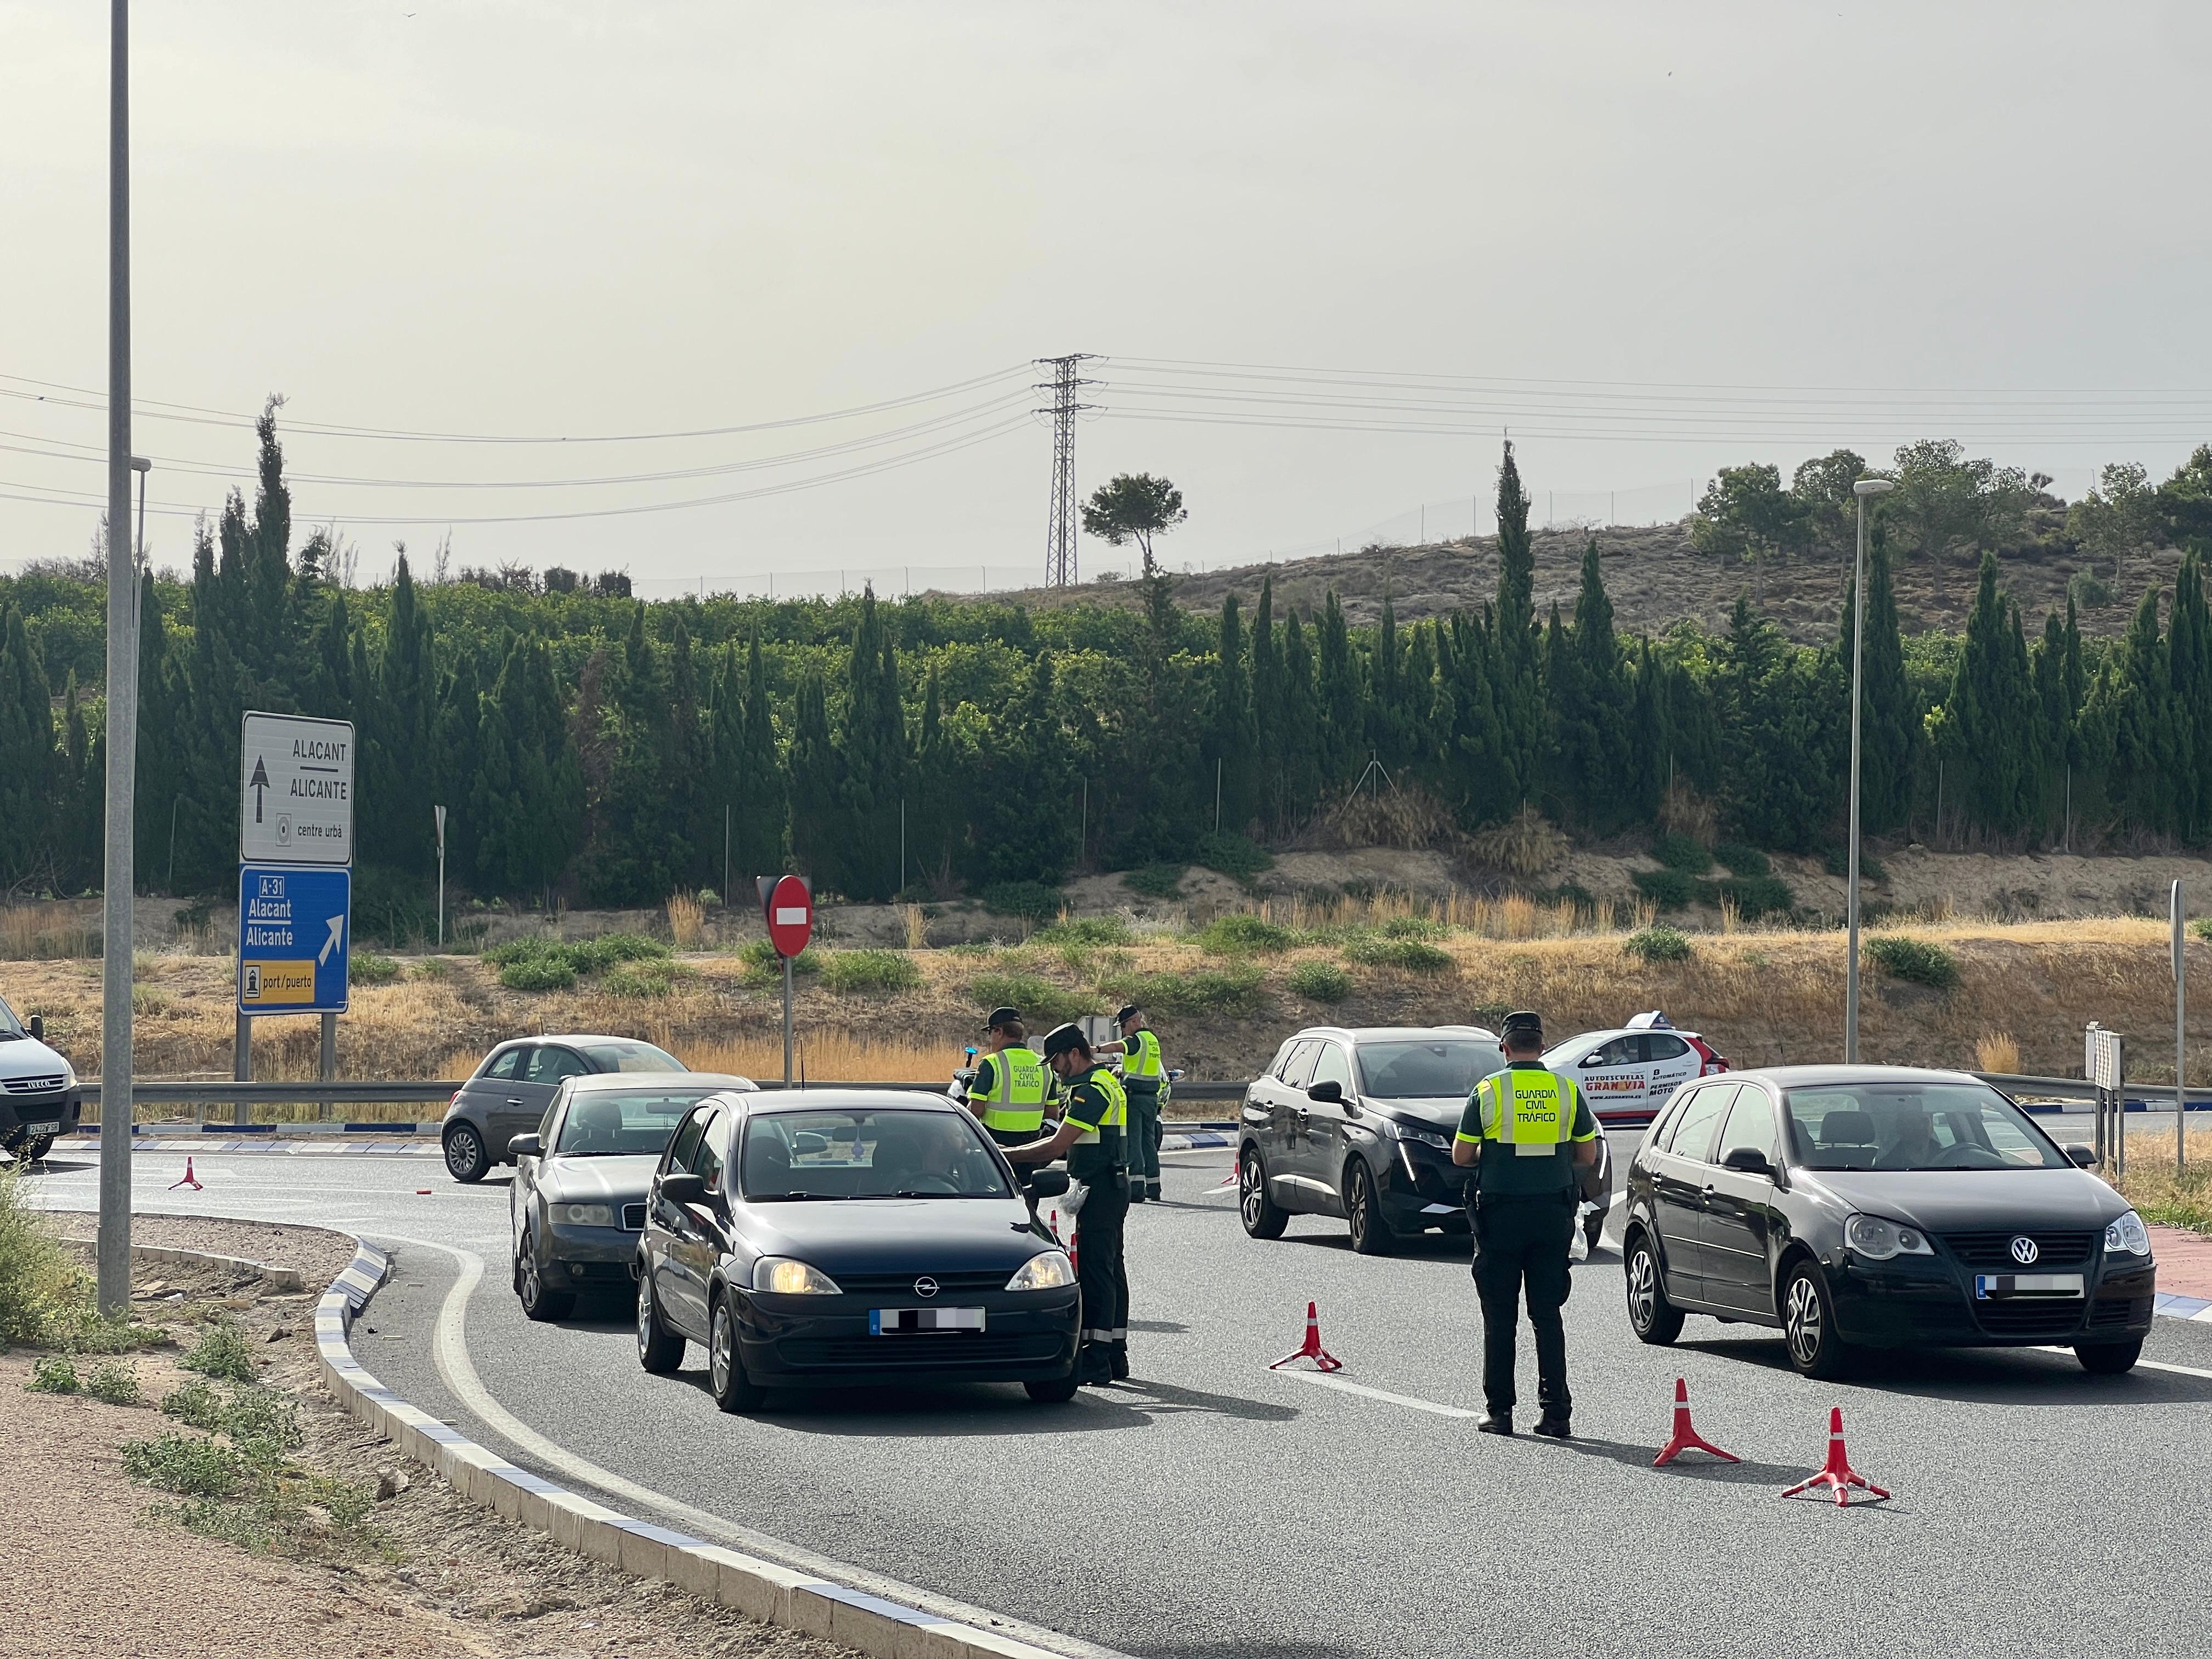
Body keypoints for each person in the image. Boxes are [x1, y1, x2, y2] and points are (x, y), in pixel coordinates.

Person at [1452, 1009, 1599, 1439]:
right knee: (1547, 1314)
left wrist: (1499, 1156)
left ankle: (1500, 1412)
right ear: (1543, 1047)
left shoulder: (1489, 1090)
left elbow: (1462, 1156)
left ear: (1505, 1048)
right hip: (1552, 1215)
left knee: (1500, 1316)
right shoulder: (1566, 1090)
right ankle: (1556, 1415)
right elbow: (1588, 1156)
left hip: (1500, 1216)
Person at [1006, 1023, 1130, 1385]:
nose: (1056, 1070)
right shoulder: (1104, 1082)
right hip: (1109, 1184)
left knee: (1096, 1270)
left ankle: (1098, 1358)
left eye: (1057, 1061)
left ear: (1074, 1054)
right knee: (1111, 1268)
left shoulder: (1092, 1090)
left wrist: (1004, 1155)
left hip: (1101, 1188)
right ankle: (1115, 1353)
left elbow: (1057, 1146)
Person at [1098, 1003, 1165, 1202]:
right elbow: (1142, 1066)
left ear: (1134, 1022)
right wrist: (1123, 1071)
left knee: (1134, 1143)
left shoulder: (1135, 1040)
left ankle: (1136, 1189)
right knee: (1148, 1143)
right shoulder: (1152, 1040)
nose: (1122, 1030)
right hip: (1151, 1098)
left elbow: (1118, 1046)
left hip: (1135, 1098)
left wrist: (1096, 1049)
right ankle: (1154, 1187)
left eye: (1123, 1026)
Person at [964, 1007, 1053, 1148]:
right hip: (1032, 1146)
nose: (989, 1039)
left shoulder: (991, 1063)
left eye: (990, 1032)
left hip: (995, 1145)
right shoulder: (1044, 1065)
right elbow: (1052, 1113)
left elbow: (976, 1110)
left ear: (999, 1032)